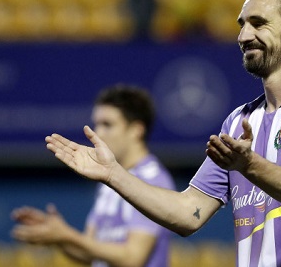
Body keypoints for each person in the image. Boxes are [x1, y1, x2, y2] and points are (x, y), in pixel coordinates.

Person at [46, 0, 281, 267]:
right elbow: (188, 213)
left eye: (258, 23)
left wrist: (250, 165)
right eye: (241, 25)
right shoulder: (238, 122)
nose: (243, 36)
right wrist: (113, 173)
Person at [12, 85, 175, 267]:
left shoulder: (152, 179)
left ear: (136, 129)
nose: (99, 133)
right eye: (97, 124)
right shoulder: (109, 178)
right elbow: (89, 254)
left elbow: (133, 258)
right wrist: (57, 237)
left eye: (107, 124)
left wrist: (67, 235)